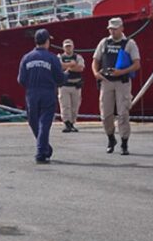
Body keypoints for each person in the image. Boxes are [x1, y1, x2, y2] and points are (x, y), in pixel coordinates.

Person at [91, 17, 141, 155]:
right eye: (110, 29)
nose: (112, 31)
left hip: (122, 82)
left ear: (122, 28)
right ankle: (110, 138)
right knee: (105, 114)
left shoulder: (129, 43)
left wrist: (122, 71)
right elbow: (95, 60)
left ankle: (124, 142)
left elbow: (137, 64)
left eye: (115, 28)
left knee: (123, 113)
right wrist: (96, 73)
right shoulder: (104, 42)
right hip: (106, 82)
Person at [18, 29, 65, 164]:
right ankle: (41, 151)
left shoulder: (26, 58)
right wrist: (66, 76)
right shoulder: (52, 58)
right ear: (47, 42)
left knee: (33, 122)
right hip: (47, 93)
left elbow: (21, 80)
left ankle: (44, 148)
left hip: (32, 93)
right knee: (44, 123)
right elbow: (60, 78)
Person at [57, 39, 85, 133]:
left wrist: (67, 67)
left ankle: (72, 123)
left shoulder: (78, 57)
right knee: (65, 105)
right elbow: (59, 66)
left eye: (69, 46)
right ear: (63, 47)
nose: (68, 48)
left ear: (73, 47)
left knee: (75, 106)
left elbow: (80, 68)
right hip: (64, 85)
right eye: (66, 46)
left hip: (75, 85)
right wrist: (72, 65)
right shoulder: (60, 56)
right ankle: (67, 123)